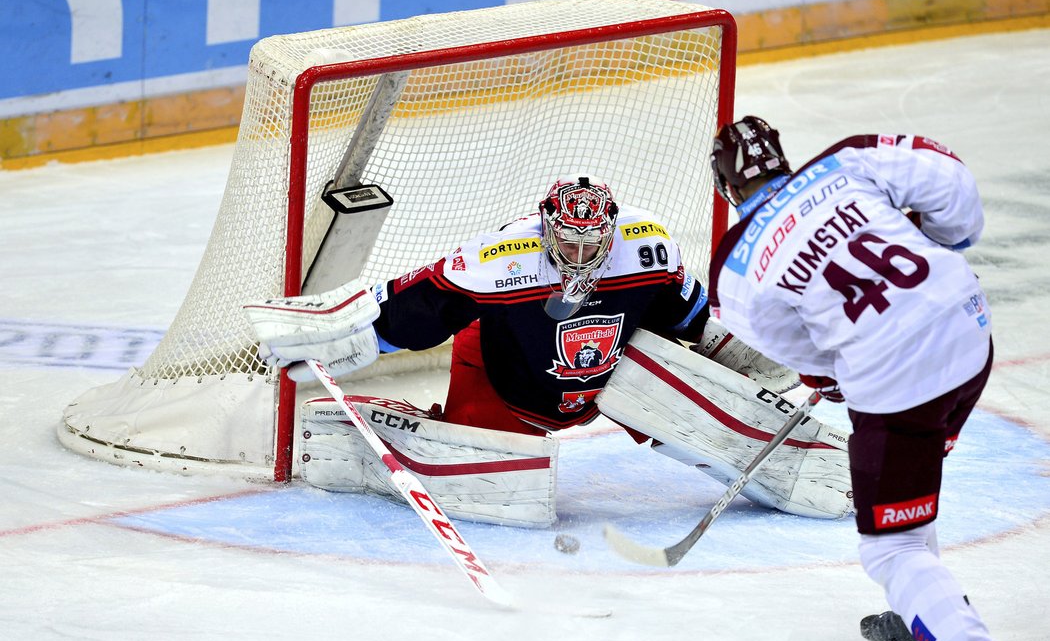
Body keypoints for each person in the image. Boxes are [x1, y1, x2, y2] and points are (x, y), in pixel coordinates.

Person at [244, 176, 852, 526]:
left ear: (611, 232)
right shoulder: (496, 260)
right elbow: (408, 311)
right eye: (569, 242)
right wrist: (338, 343)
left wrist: (778, 367)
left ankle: (794, 459)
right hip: (503, 375)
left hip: (613, 380)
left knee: (674, 384)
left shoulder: (649, 249)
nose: (582, 256)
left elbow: (696, 322)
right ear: (545, 230)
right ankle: (382, 433)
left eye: (595, 244)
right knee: (506, 495)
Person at [708, 116, 1023, 641]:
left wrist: (832, 373)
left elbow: (791, 347)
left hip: (899, 387)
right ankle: (922, 609)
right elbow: (954, 186)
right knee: (914, 471)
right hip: (969, 332)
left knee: (890, 549)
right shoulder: (846, 160)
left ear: (728, 189)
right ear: (782, 157)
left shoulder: (734, 265)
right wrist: (943, 243)